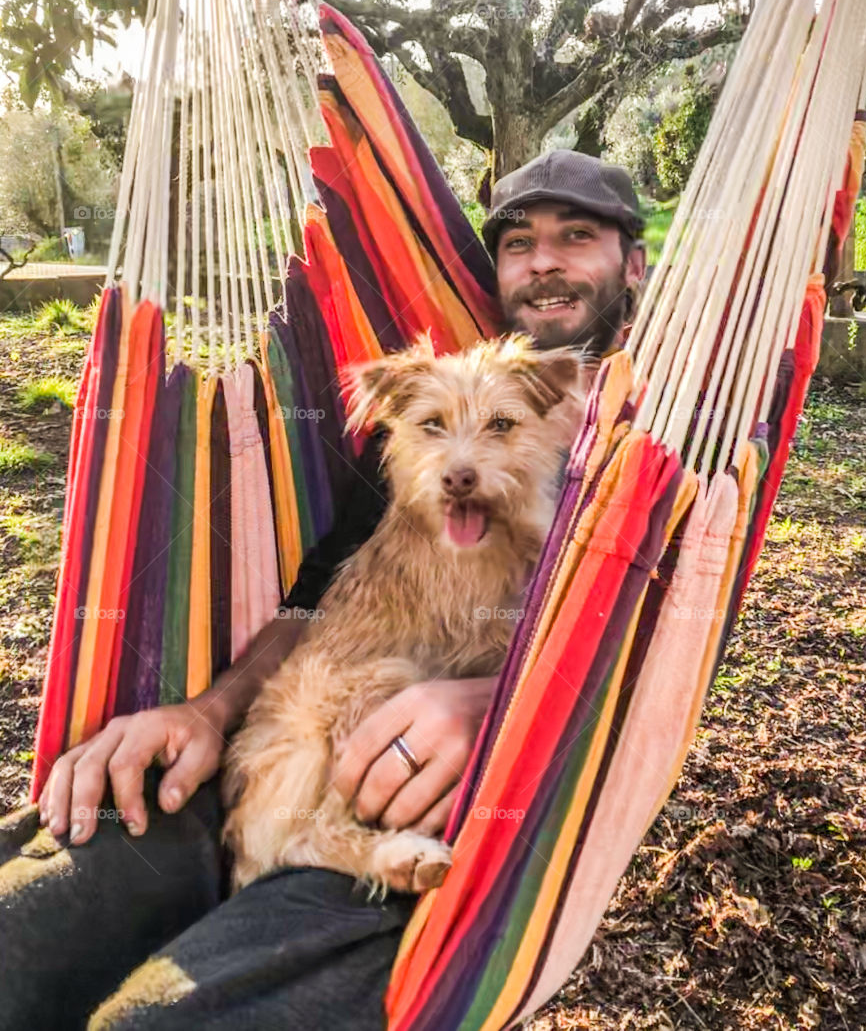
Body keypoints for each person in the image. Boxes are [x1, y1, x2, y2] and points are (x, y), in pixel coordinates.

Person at [0, 150, 646, 1031]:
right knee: (19, 940)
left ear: (634, 266)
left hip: (468, 826)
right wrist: (210, 708)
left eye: (578, 236)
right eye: (519, 243)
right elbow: (312, 601)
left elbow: (657, 659)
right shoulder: (428, 433)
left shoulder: (671, 444)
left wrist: (497, 700)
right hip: (280, 747)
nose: (543, 260)